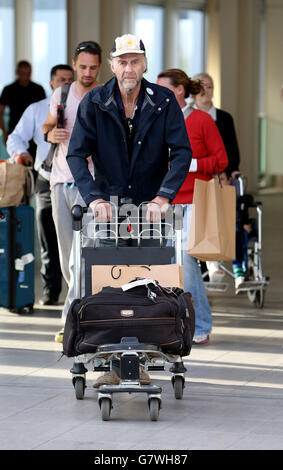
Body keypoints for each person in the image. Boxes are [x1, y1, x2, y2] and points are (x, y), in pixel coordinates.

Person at [66, 34, 192, 386]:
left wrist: (165, 196)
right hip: (109, 206)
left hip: (152, 206)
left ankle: (149, 353)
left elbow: (181, 152)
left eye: (135, 61)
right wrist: (93, 197)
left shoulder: (164, 101)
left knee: (151, 279)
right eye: (122, 61)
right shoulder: (95, 101)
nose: (128, 68)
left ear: (144, 64)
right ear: (113, 66)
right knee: (109, 282)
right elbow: (76, 153)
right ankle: (111, 363)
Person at [157, 68, 228, 345]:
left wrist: (192, 165)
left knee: (186, 261)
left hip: (193, 200)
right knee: (167, 263)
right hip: (164, 200)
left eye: (163, 88)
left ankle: (201, 324)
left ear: (179, 91)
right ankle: (174, 322)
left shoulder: (201, 121)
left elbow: (221, 160)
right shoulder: (157, 119)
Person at [42, 41, 102, 342]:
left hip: (90, 184)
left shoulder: (106, 95)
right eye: (82, 67)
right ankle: (81, 307)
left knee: (86, 253)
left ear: (100, 67)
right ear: (75, 65)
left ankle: (72, 319)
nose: (87, 72)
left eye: (93, 67)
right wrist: (51, 132)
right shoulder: (61, 94)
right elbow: (48, 125)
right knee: (67, 254)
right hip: (60, 181)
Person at [7, 64, 74, 305]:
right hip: (46, 180)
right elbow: (15, 138)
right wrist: (21, 154)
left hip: (77, 182)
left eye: (70, 80)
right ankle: (51, 289)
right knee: (48, 236)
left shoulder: (84, 106)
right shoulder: (37, 110)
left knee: (78, 239)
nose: (66, 84)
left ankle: (79, 293)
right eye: (61, 80)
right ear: (51, 83)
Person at [192, 72, 242, 286]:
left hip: (221, 176)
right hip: (197, 177)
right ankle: (204, 267)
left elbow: (232, 150)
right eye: (201, 87)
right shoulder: (187, 117)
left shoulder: (224, 118)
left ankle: (226, 264)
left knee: (234, 215)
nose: (206, 91)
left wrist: (229, 172)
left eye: (210, 87)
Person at [0, 61, 46, 143]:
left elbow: (44, 112)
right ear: (17, 73)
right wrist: (4, 132)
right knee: (17, 156)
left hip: (34, 132)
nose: (25, 77)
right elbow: (0, 112)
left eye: (28, 74)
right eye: (23, 74)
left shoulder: (38, 89)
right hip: (14, 131)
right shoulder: (8, 89)